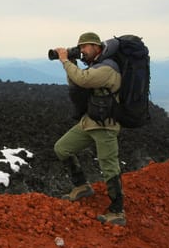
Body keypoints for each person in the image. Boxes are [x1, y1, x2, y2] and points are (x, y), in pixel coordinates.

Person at [53, 32, 126, 226]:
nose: (82, 50)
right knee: (62, 148)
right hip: (90, 121)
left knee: (108, 166)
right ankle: (82, 186)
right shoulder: (95, 67)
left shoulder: (108, 68)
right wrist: (72, 63)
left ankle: (117, 211)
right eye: (81, 47)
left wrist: (65, 60)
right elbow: (77, 83)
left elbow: (84, 80)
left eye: (85, 47)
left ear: (97, 47)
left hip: (105, 126)